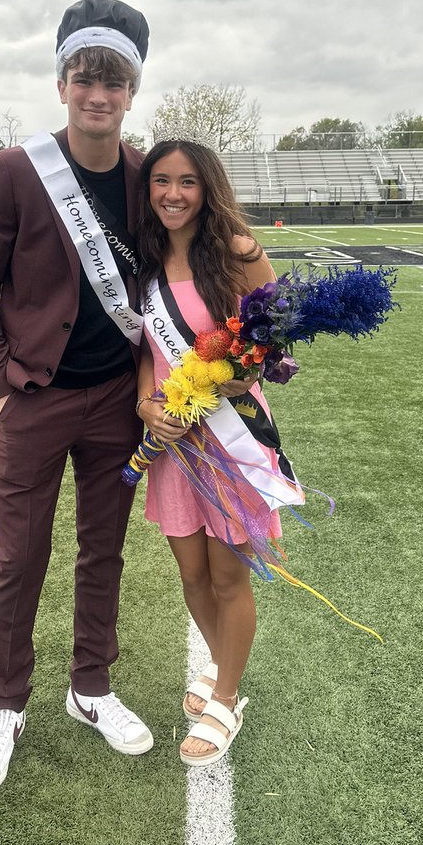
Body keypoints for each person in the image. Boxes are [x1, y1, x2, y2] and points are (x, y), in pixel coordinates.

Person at [0, 0, 153, 795]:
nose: (97, 94)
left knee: (102, 549)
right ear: (62, 82)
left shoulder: (147, 176)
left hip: (115, 399)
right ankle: (5, 704)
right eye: (84, 78)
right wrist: (1, 376)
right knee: (19, 554)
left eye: (114, 81)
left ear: (132, 92)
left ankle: (90, 688)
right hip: (36, 399)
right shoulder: (13, 170)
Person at [135, 139, 294, 768]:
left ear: (208, 188)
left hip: (232, 434)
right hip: (176, 442)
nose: (173, 194)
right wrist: (148, 404)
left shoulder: (237, 252)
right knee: (192, 574)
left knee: (229, 576)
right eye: (161, 181)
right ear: (148, 190)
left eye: (188, 182)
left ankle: (226, 695)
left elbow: (279, 342)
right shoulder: (142, 262)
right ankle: (225, 666)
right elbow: (147, 352)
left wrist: (238, 377)